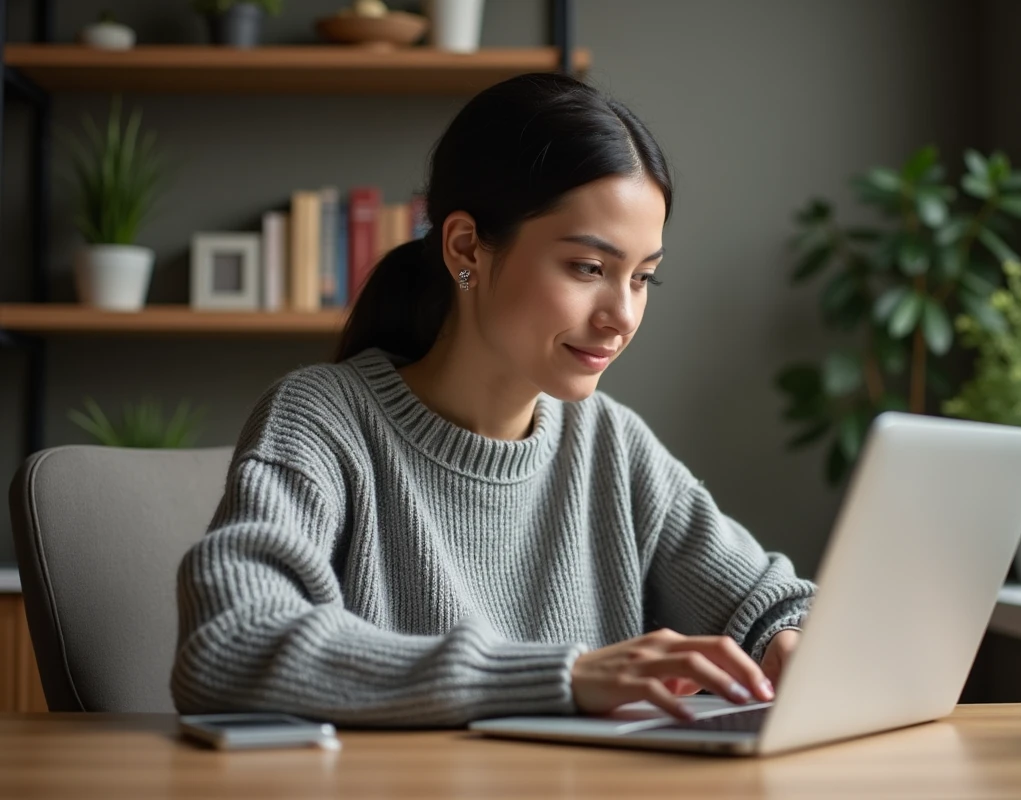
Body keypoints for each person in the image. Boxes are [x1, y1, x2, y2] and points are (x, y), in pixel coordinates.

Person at [171, 72, 816, 728]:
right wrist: (562, 677)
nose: (622, 315)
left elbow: (773, 604)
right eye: (588, 269)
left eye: (644, 277)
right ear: (465, 248)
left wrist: (788, 641)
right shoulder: (321, 418)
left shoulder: (612, 445)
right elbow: (229, 645)